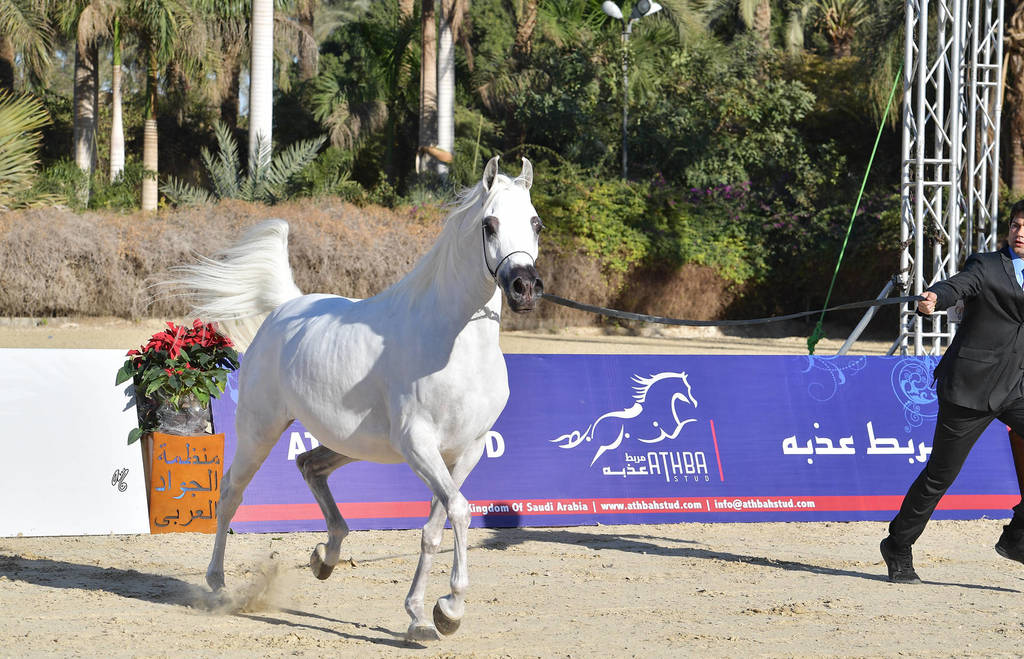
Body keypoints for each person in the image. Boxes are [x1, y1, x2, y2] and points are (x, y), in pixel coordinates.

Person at [881, 199, 1024, 583]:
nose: (1020, 232)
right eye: (1015, 225)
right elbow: (958, 285)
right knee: (940, 476)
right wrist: (934, 297)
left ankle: (1018, 536)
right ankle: (897, 544)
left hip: (1017, 387)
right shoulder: (988, 265)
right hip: (971, 387)